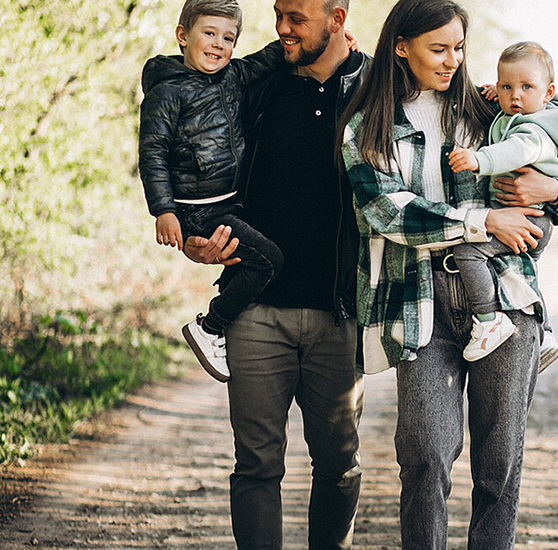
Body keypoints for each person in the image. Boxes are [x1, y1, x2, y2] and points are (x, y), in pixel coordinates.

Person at [338, 0, 558, 548]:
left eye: (460, 48)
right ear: (402, 46)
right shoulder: (369, 127)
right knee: (424, 451)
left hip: (504, 296)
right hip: (416, 299)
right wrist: (479, 219)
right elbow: (386, 211)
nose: (453, 61)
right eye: (438, 48)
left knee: (500, 460)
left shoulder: (490, 110)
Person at [180, 0, 368, 548]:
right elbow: (196, 156)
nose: (281, 28)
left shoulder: (377, 86)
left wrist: (553, 187)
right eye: (278, 13)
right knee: (256, 464)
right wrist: (196, 234)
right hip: (255, 310)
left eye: (297, 18)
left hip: (341, 309)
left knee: (338, 464)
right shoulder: (253, 86)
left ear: (336, 20)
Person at [139, 0, 285, 384]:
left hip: (228, 202)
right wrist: (163, 210)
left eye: (228, 37)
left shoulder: (233, 75)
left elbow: (271, 57)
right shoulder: (167, 92)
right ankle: (212, 326)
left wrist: (336, 37)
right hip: (196, 210)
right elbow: (152, 153)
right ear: (183, 35)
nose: (218, 44)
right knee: (269, 260)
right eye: (209, 33)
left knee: (255, 252)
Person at [446, 41, 558, 365]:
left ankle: (488, 320)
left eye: (526, 87)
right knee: (518, 270)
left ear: (548, 92)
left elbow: (516, 151)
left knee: (468, 251)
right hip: (528, 216)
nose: (515, 95)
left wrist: (478, 159)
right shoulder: (518, 113)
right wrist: (493, 94)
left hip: (533, 217)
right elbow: (507, 114)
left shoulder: (536, 130)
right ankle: (545, 333)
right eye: (507, 86)